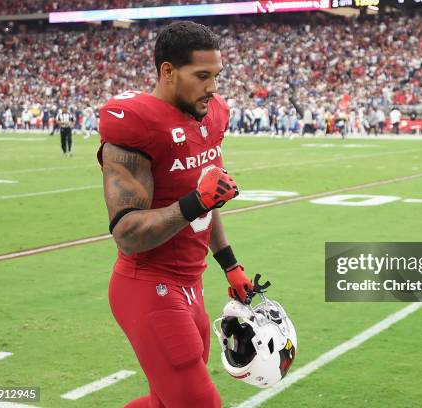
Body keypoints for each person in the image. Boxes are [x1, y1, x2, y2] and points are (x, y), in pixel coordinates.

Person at [97, 21, 254, 408]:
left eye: (216, 75)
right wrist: (194, 203)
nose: (212, 87)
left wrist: (230, 266)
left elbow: (208, 195)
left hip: (191, 285)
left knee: (166, 402)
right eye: (201, 76)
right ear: (168, 72)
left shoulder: (211, 115)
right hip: (148, 285)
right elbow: (128, 233)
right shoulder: (136, 123)